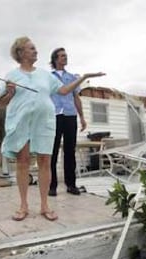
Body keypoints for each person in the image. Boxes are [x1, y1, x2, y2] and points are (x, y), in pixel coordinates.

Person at [0, 36, 105, 221]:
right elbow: (2, 102)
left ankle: (45, 205)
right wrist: (10, 92)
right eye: (31, 48)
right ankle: (23, 206)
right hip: (21, 122)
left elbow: (63, 91)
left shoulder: (45, 75)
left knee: (45, 162)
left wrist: (83, 78)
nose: (36, 51)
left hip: (44, 123)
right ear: (21, 52)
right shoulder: (11, 75)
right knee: (23, 162)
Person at [49, 48, 105, 196]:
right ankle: (52, 185)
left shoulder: (73, 77)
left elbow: (76, 98)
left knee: (69, 151)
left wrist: (82, 117)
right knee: (52, 152)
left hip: (70, 115)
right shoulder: (48, 77)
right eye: (62, 56)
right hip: (53, 115)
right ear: (55, 59)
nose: (65, 58)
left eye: (66, 56)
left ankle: (71, 185)